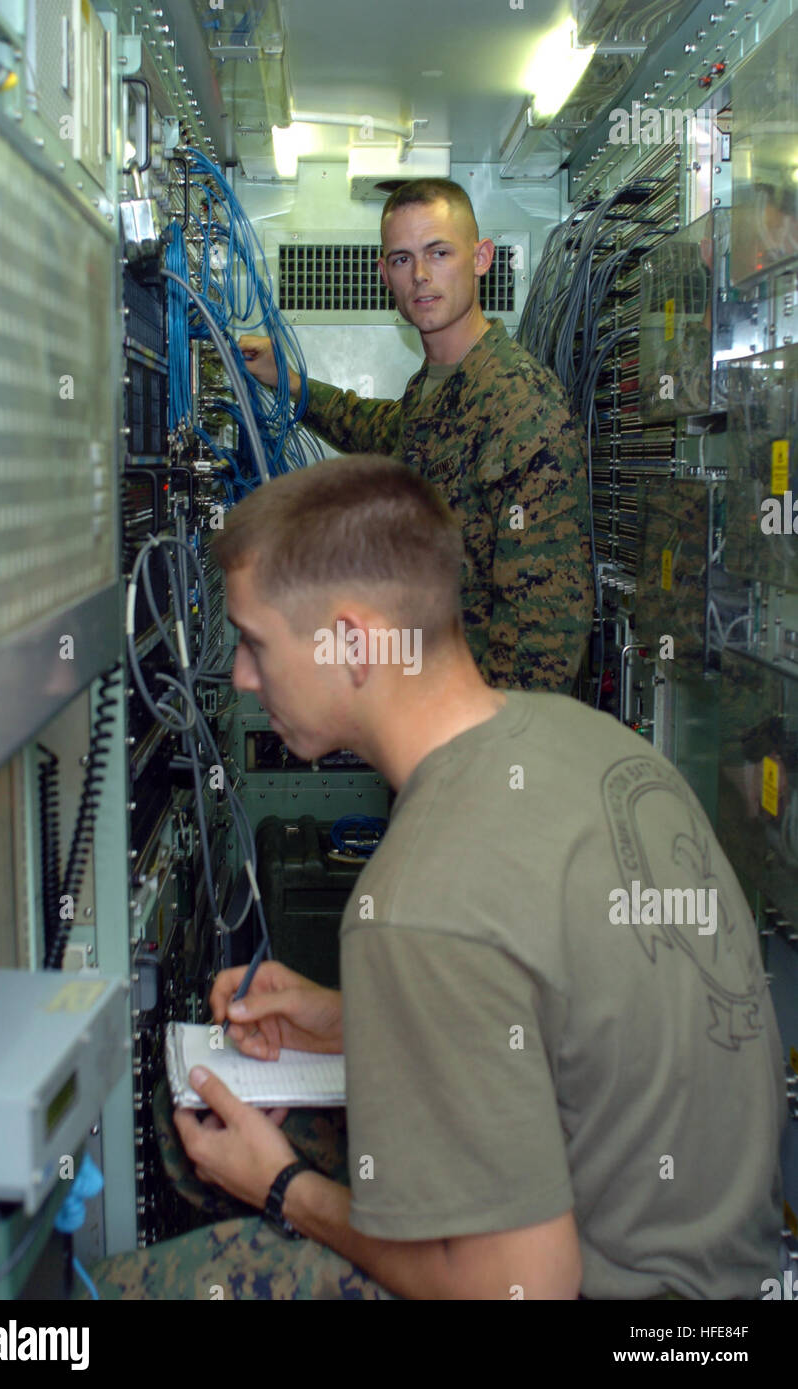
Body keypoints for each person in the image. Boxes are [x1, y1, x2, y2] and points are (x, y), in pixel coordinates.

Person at [77, 455, 785, 1301]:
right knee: (179, 1124)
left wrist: (282, 1190)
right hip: (725, 1274)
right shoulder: (593, 747)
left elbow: (515, 1290)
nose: (239, 676)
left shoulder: (418, 902)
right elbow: (554, 1010)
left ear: (356, 642)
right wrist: (346, 1020)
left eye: (256, 643)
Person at [239, 177, 593, 693]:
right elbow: (378, 429)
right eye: (402, 259)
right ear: (385, 274)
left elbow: (548, 622)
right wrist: (289, 383)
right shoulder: (431, 390)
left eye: (439, 252)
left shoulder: (520, 404)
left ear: (481, 257)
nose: (422, 276)